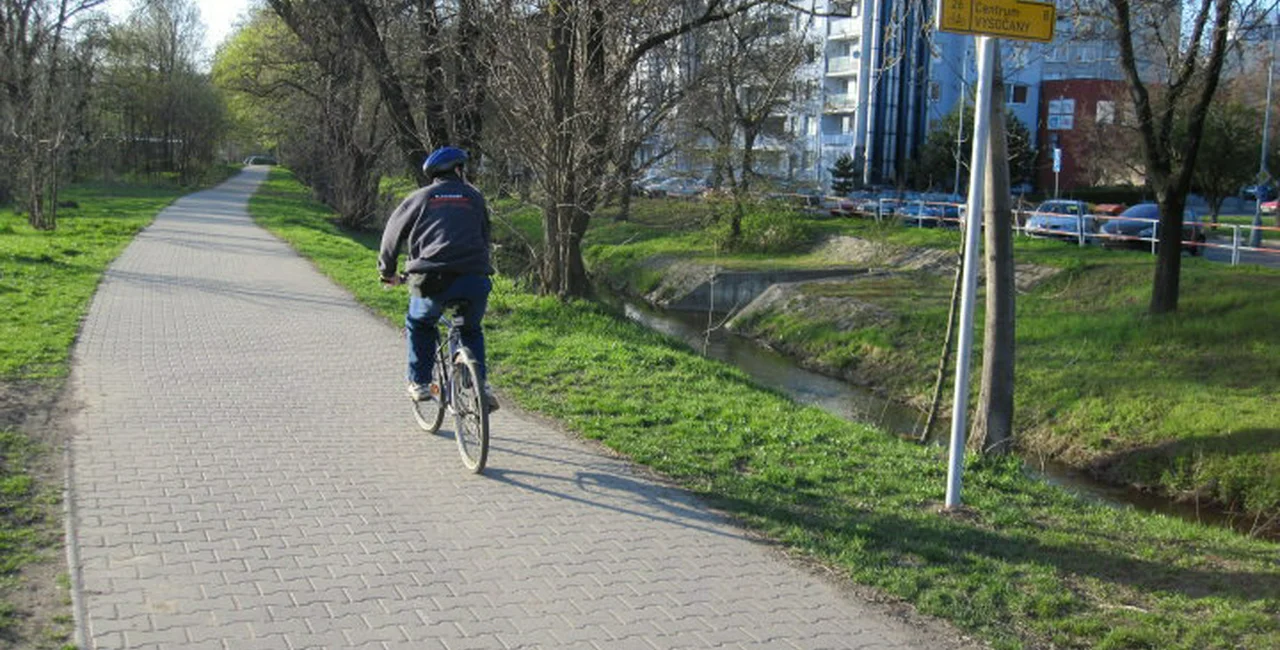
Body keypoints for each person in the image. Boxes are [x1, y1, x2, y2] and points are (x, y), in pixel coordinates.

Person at [378, 146, 498, 411]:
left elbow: (391, 236)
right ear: (458, 170)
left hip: (432, 278)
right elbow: (484, 234)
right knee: (470, 328)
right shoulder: (475, 198)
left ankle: (420, 383)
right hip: (474, 277)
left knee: (419, 323)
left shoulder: (420, 198)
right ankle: (479, 384)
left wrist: (388, 272)